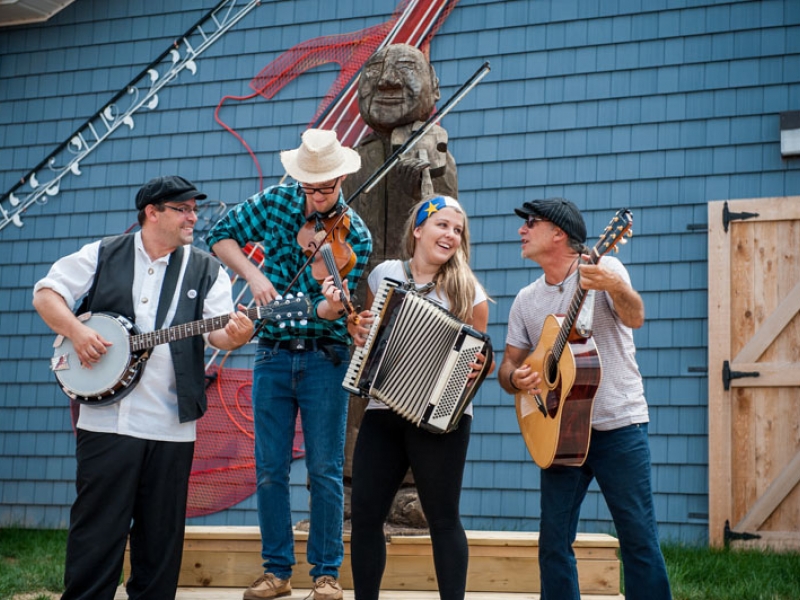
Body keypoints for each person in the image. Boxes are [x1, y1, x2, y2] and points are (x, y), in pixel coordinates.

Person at [32, 175, 254, 600]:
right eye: (183, 209)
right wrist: (78, 333)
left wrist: (238, 335)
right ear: (152, 213)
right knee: (97, 534)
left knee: (160, 541)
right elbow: (46, 295)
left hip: (172, 425)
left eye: (194, 208)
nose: (193, 216)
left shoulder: (207, 268)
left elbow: (219, 334)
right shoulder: (103, 253)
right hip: (106, 422)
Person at [205, 128, 372, 600]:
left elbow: (336, 308)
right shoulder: (277, 201)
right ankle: (276, 571)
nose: (317, 198)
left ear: (341, 177)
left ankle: (326, 573)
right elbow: (219, 235)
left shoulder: (355, 233)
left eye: (327, 188)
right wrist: (255, 274)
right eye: (310, 188)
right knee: (269, 468)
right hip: (273, 353)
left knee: (324, 470)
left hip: (325, 357)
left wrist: (332, 303)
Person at [497, 198, 671, 600]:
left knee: (638, 538)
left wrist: (614, 286)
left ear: (559, 234)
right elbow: (507, 367)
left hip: (619, 426)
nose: (521, 231)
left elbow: (636, 316)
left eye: (531, 224)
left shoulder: (604, 268)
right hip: (558, 431)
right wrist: (518, 378)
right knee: (553, 542)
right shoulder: (526, 300)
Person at [347, 195, 491, 600]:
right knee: (366, 517)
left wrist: (481, 367)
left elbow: (478, 361)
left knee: (443, 518)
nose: (450, 235)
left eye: (457, 230)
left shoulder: (468, 292)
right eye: (443, 225)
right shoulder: (384, 275)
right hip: (383, 408)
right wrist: (356, 330)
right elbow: (365, 332)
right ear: (418, 229)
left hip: (439, 417)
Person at [341, 42, 460, 526]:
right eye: (375, 70)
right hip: (365, 298)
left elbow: (448, 222)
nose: (387, 80)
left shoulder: (434, 148)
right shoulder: (353, 160)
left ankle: (411, 492)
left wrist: (424, 182)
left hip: (420, 299)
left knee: (415, 387)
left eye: (405, 69)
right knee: (359, 394)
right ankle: (353, 490)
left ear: (433, 87)